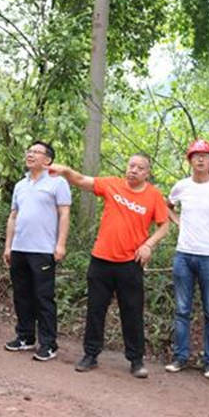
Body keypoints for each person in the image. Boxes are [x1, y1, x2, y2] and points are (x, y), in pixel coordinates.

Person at [47, 154, 169, 378]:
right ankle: (90, 354)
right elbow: (82, 180)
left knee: (132, 312)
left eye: (140, 168)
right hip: (101, 260)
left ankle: (136, 360)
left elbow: (164, 226)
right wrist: (64, 171)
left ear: (147, 173)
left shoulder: (153, 195)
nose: (134, 170)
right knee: (95, 309)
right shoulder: (112, 184)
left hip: (130, 263)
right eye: (131, 165)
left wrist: (148, 245)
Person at [165, 139, 209, 379]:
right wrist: (178, 222)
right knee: (182, 309)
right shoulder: (181, 186)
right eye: (196, 155)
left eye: (205, 155)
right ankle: (180, 357)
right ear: (190, 160)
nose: (200, 159)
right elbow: (167, 206)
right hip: (183, 254)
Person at [2, 141, 71, 361]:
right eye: (29, 151)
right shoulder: (20, 185)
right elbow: (13, 216)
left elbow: (64, 214)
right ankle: (25, 337)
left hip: (43, 249)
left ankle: (49, 343)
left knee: (43, 297)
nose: (30, 154)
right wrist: (8, 246)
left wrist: (60, 244)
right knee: (21, 295)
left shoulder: (57, 182)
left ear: (48, 159)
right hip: (20, 247)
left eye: (36, 152)